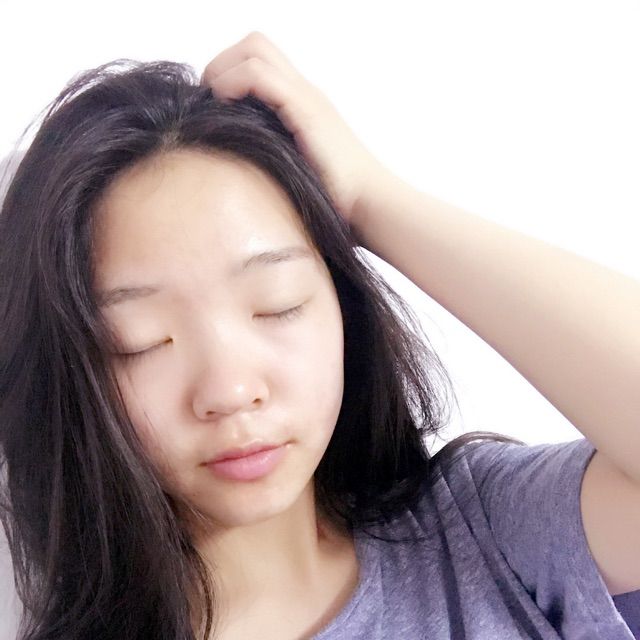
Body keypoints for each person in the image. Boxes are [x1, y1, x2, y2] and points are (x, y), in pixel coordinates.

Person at [0, 30, 639, 640]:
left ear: (342, 306)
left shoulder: (481, 529)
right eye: (139, 341)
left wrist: (372, 200)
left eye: (276, 305)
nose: (231, 390)